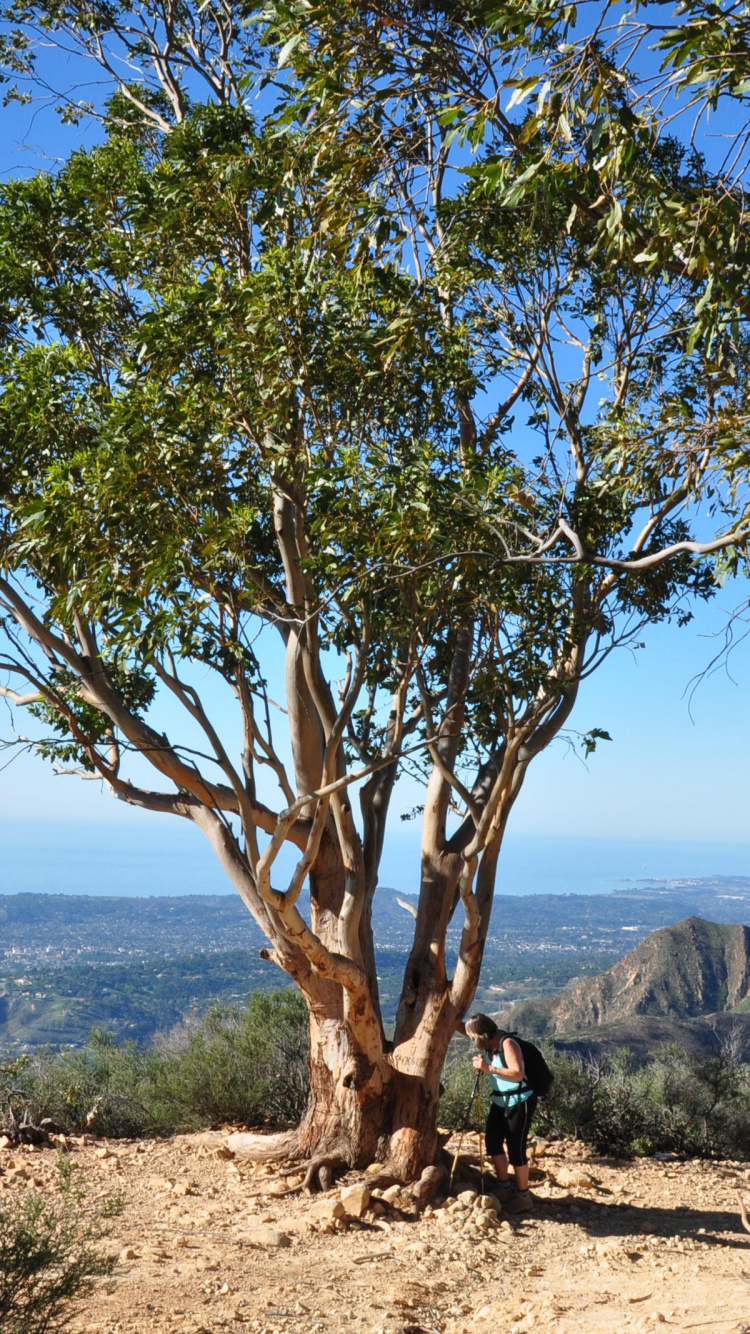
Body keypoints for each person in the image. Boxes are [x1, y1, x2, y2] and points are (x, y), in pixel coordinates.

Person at [462, 1013, 537, 1213]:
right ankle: (503, 1186)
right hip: (500, 1101)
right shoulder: (489, 1046)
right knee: (493, 1142)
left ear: (481, 1034)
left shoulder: (507, 1044)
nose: (471, 1040)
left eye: (472, 1036)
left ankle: (524, 1197)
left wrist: (489, 1068)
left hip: (520, 1102)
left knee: (516, 1148)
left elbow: (517, 1074)